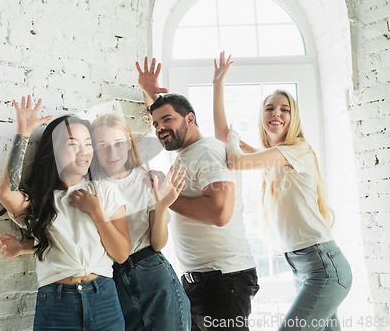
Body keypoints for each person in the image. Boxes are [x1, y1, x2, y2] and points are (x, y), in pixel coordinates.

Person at [213, 52, 352, 330]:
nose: (276, 113)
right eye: (270, 108)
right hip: (303, 268)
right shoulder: (270, 156)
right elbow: (222, 139)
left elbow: (234, 159)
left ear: (293, 117)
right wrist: (218, 85)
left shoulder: (297, 150)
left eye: (284, 109)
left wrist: (235, 137)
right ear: (262, 115)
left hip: (323, 266)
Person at [136, 57, 259, 331]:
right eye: (155, 124)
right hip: (202, 281)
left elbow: (220, 212)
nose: (159, 129)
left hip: (223, 280)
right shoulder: (188, 153)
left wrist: (165, 198)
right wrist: (150, 92)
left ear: (190, 119)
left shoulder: (208, 152)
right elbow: (167, 119)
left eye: (167, 120)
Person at [0, 95, 130, 331]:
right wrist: (23, 133)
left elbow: (121, 254)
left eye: (88, 143)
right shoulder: (39, 199)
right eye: (72, 143)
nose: (83, 151)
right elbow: (6, 193)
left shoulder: (105, 192)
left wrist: (97, 212)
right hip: (56, 302)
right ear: (54, 150)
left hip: (104, 298)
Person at [90, 113, 191, 330]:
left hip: (152, 272)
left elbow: (158, 243)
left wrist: (162, 206)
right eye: (103, 145)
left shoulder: (146, 180)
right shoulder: (91, 188)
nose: (111, 152)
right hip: (112, 278)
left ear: (128, 144)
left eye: (118, 143)